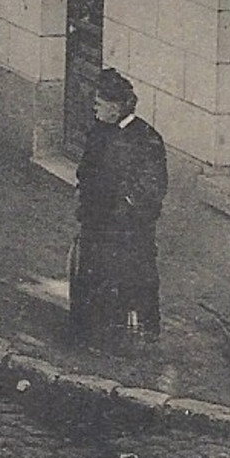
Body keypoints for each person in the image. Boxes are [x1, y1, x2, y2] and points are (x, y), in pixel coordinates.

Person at [69, 68, 167, 346]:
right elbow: (86, 169)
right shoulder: (100, 131)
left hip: (128, 229)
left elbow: (152, 187)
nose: (94, 108)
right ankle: (92, 336)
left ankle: (144, 336)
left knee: (135, 281)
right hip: (96, 223)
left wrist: (124, 212)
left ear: (117, 107)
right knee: (91, 277)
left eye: (99, 104)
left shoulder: (146, 139)